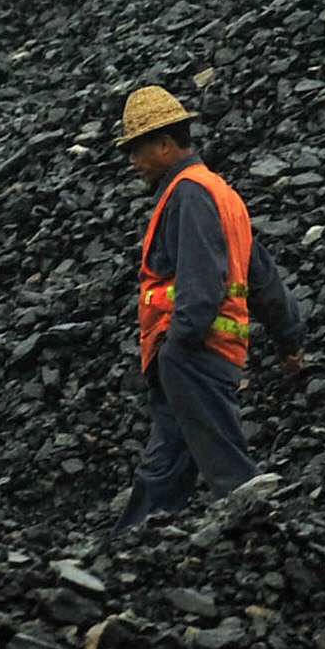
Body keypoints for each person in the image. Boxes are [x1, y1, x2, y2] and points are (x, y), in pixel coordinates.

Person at [112, 85, 307, 535]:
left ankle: (258, 516)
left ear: (165, 143)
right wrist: (289, 338)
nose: (132, 162)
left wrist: (179, 343)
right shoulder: (222, 194)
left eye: (138, 150)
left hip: (193, 348)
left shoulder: (188, 195)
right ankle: (134, 537)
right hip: (203, 350)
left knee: (228, 464)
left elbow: (201, 280)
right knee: (168, 455)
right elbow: (262, 278)